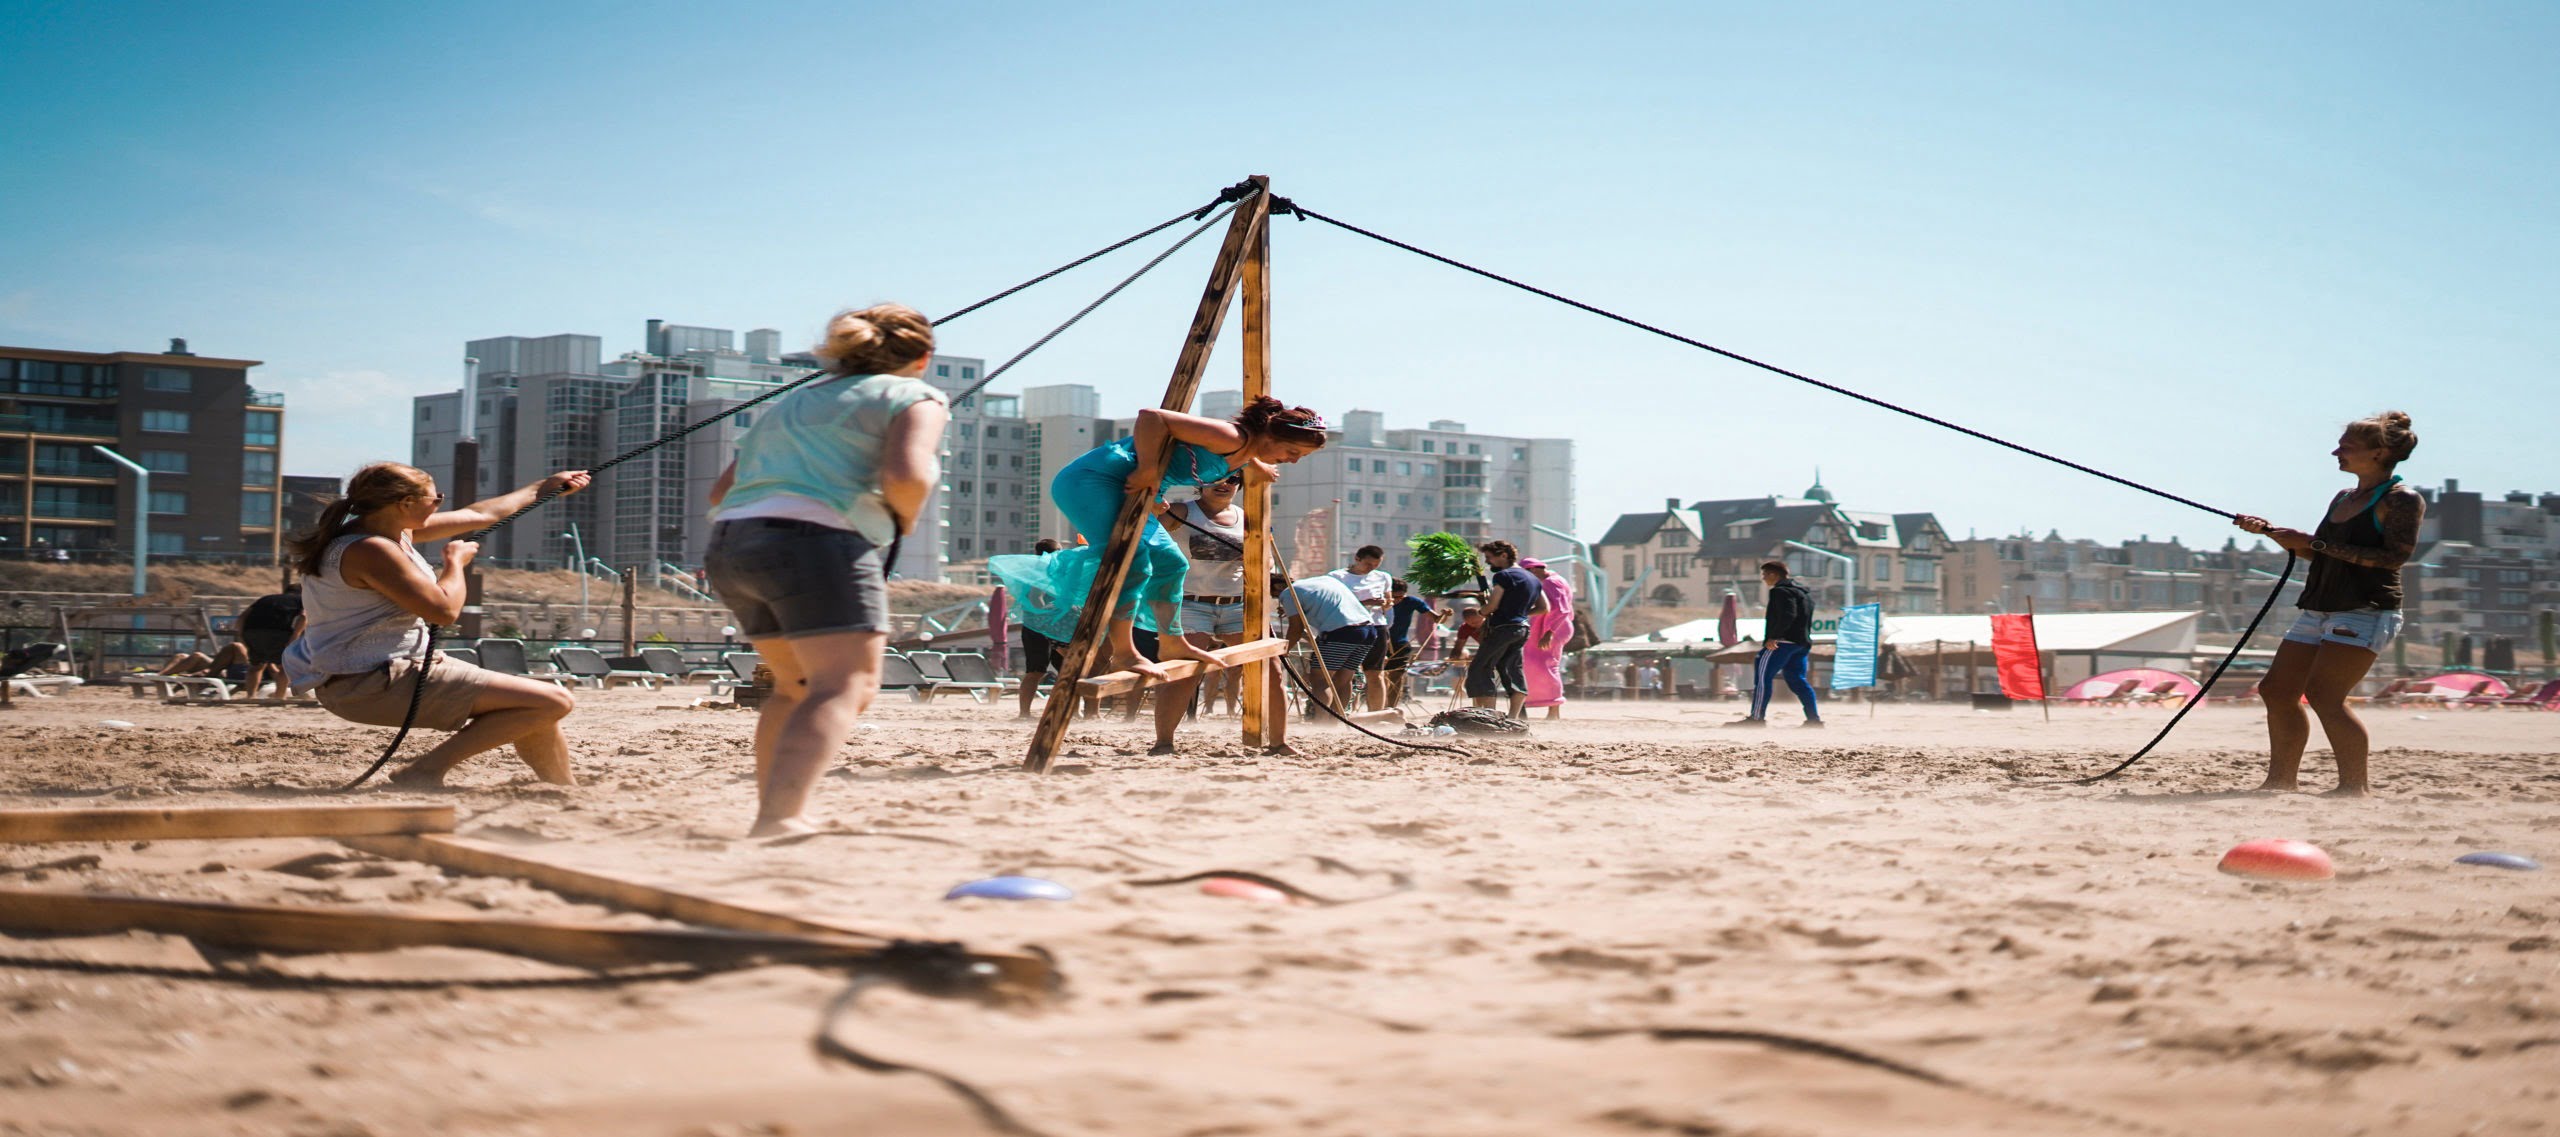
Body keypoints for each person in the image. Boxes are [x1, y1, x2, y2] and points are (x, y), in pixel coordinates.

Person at [704, 304, 949, 835]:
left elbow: (721, 491)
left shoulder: (792, 402)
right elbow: (906, 475)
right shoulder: (916, 396)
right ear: (923, 358)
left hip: (733, 541)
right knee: (844, 685)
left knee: (793, 687)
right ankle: (781, 817)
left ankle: (775, 815)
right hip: (817, 541)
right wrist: (903, 519)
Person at [282, 462, 592, 786]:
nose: (438, 505)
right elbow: (444, 611)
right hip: (371, 683)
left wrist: (545, 486)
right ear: (406, 503)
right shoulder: (370, 549)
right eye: (435, 498)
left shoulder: (384, 532)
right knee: (554, 701)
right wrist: (454, 563)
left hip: (370, 676)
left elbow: (479, 515)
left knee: (536, 706)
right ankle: (424, 771)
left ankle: (562, 787)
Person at [991, 396, 1327, 689]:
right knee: (1133, 559)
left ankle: (1171, 641)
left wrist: (1257, 464)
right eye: (1292, 451)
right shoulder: (1230, 436)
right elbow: (1152, 417)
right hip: (1094, 481)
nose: (1293, 460)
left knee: (1171, 563)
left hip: (1134, 491)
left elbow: (1232, 452)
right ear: (1272, 436)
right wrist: (1150, 470)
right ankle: (1125, 652)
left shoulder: (1244, 450)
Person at [2232, 411, 2423, 797]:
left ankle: (2354, 788)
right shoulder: (2344, 497)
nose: (2336, 452)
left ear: (2379, 452)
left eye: (2347, 447)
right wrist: (2275, 535)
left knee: (2324, 696)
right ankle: (2280, 783)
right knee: (2276, 690)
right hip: (2319, 606)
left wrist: (2312, 541)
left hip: (2366, 609)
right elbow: (2326, 555)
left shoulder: (2402, 500)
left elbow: (2393, 559)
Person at [1165, 472, 1248, 716]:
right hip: (1193, 602)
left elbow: (1267, 564)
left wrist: (1255, 559)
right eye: (1216, 478)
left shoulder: (1247, 517)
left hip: (1236, 603)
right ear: (1200, 482)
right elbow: (1148, 535)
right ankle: (1164, 740)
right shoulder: (1182, 511)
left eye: (1232, 480)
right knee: (1185, 672)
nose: (1224, 484)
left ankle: (1273, 738)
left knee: (1266, 667)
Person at [1730, 560, 1821, 727]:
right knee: (1797, 680)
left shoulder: (1780, 591)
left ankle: (1757, 718)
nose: (1764, 579)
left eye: (1765, 575)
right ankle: (1814, 720)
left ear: (1774, 574)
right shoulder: (1804, 593)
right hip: (1801, 643)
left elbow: (1788, 614)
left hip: (1782, 643)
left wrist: (1774, 636)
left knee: (1763, 678)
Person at [1466, 541, 1546, 718]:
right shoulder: (1533, 578)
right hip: (1522, 629)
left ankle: (1489, 715)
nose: (1488, 562)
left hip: (1502, 628)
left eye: (1489, 558)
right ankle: (1513, 718)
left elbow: (1492, 605)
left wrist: (1480, 613)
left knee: (1481, 668)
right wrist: (1521, 613)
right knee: (1511, 669)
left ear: (1503, 555)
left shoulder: (1503, 576)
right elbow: (1543, 607)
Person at [1279, 570, 1374, 716]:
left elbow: (1295, 629)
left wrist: (1283, 651)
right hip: (1367, 630)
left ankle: (1321, 721)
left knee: (1320, 679)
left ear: (1275, 588)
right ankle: (1337, 721)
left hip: (1340, 632)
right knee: (1344, 679)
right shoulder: (1323, 581)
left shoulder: (1287, 593)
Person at [1328, 545, 1394, 710]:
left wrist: (1386, 604)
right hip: (1348, 627)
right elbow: (1334, 603)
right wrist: (1366, 603)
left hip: (1376, 625)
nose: (1371, 569)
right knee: (1344, 673)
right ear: (1357, 559)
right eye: (1368, 564)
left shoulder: (1383, 577)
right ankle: (1339, 711)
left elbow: (1388, 602)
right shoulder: (1337, 576)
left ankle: (1377, 714)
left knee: (1375, 674)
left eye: (1375, 565)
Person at [1015, 538, 1067, 720]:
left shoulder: (1032, 570)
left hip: (1033, 625)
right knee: (1066, 669)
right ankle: (1060, 711)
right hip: (1049, 625)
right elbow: (1036, 596)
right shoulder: (1045, 570)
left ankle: (1025, 713)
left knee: (1035, 671)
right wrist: (1046, 618)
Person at [1520, 558, 1575, 718]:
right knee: (1534, 663)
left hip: (1553, 629)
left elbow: (1561, 609)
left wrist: (1549, 632)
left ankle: (1554, 710)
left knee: (1548, 665)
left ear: (1534, 570)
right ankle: (1534, 703)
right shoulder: (1550, 580)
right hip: (1544, 628)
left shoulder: (1553, 582)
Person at [236, 585, 303, 697]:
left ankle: (250, 696)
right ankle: (279, 697)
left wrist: (242, 636)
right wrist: (294, 636)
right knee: (285, 667)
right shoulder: (301, 600)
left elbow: (242, 617)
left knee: (256, 666)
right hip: (277, 632)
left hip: (251, 631)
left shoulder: (266, 598)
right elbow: (304, 617)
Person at [1381, 579, 1437, 707]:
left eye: (1401, 596)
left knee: (1397, 678)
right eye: (1394, 597)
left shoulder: (1411, 601)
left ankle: (1391, 708)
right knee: (1379, 677)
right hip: (1381, 643)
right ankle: (1378, 708)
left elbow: (1435, 617)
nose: (1397, 600)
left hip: (1401, 644)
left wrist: (1443, 615)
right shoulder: (1380, 602)